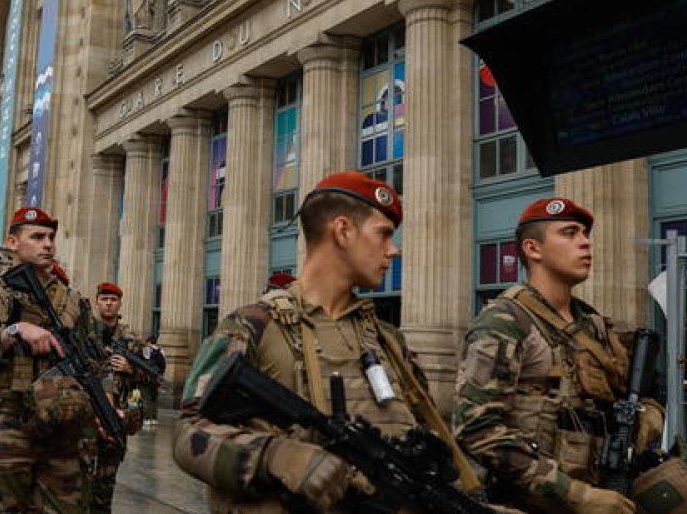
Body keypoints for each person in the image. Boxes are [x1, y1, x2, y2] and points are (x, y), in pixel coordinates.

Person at [174, 171, 480, 512]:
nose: (394, 250)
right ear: (343, 230)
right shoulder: (253, 325)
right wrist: (276, 457)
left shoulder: (389, 342)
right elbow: (188, 434)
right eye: (384, 234)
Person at [454, 198, 687, 514]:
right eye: (569, 233)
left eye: (585, 234)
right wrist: (576, 495)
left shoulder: (594, 325)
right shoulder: (506, 322)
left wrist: (650, 413)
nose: (585, 242)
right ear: (533, 249)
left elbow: (649, 387)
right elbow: (475, 429)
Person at [0, 207, 106, 514]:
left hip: (62, 429)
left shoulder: (74, 301)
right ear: (12, 242)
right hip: (6, 423)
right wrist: (12, 333)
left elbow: (95, 360)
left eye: (51, 237)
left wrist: (105, 402)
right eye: (37, 237)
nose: (47, 244)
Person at [89, 281, 150, 514]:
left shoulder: (131, 339)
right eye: (104, 299)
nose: (108, 303)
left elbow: (153, 375)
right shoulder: (85, 333)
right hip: (87, 415)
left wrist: (130, 369)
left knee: (105, 486)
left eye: (113, 300)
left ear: (120, 303)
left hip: (117, 417)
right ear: (97, 302)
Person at [140, 336, 166, 426]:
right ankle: (154, 417)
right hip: (155, 378)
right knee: (154, 397)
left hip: (145, 378)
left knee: (145, 397)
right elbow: (163, 365)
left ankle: (146, 418)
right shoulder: (161, 351)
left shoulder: (145, 350)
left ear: (148, 342)